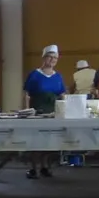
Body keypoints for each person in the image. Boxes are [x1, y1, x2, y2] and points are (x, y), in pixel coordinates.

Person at [22, 45, 66, 179]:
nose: (52, 60)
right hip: (37, 112)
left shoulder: (58, 76)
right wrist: (28, 110)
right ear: (44, 58)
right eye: (50, 57)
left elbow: (62, 94)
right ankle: (33, 168)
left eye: (55, 58)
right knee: (36, 141)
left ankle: (44, 166)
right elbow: (27, 94)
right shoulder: (35, 75)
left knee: (49, 141)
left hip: (52, 112)